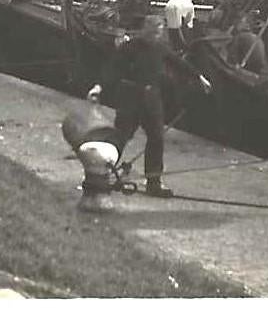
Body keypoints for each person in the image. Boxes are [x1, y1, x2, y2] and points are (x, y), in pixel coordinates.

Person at [87, 16, 212, 198]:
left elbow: (179, 63)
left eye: (158, 32)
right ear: (144, 28)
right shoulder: (129, 47)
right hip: (130, 96)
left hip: (152, 98)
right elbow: (112, 68)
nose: (155, 36)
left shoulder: (161, 48)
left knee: (156, 138)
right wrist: (99, 86)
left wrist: (199, 77)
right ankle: (101, 173)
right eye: (153, 32)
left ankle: (154, 182)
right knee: (121, 136)